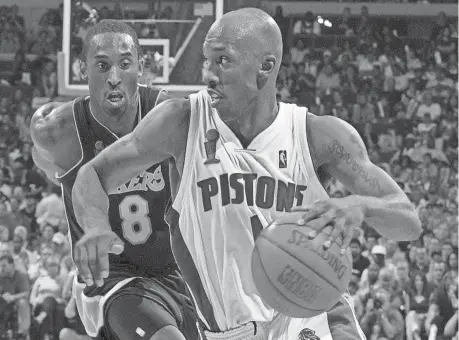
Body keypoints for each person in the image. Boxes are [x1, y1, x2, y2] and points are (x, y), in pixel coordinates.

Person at [71, 9, 421, 340]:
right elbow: (93, 175)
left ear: (265, 68)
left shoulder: (318, 135)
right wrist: (97, 227)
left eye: (223, 61)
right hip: (226, 331)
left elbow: (407, 219)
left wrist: (360, 206)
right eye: (206, 60)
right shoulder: (180, 123)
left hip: (314, 316)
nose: (208, 73)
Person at [30, 20, 198, 340]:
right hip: (112, 277)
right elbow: (47, 167)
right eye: (102, 65)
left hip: (176, 272)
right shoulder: (58, 131)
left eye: (124, 64)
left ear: (141, 66)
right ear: (82, 69)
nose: (114, 78)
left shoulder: (167, 114)